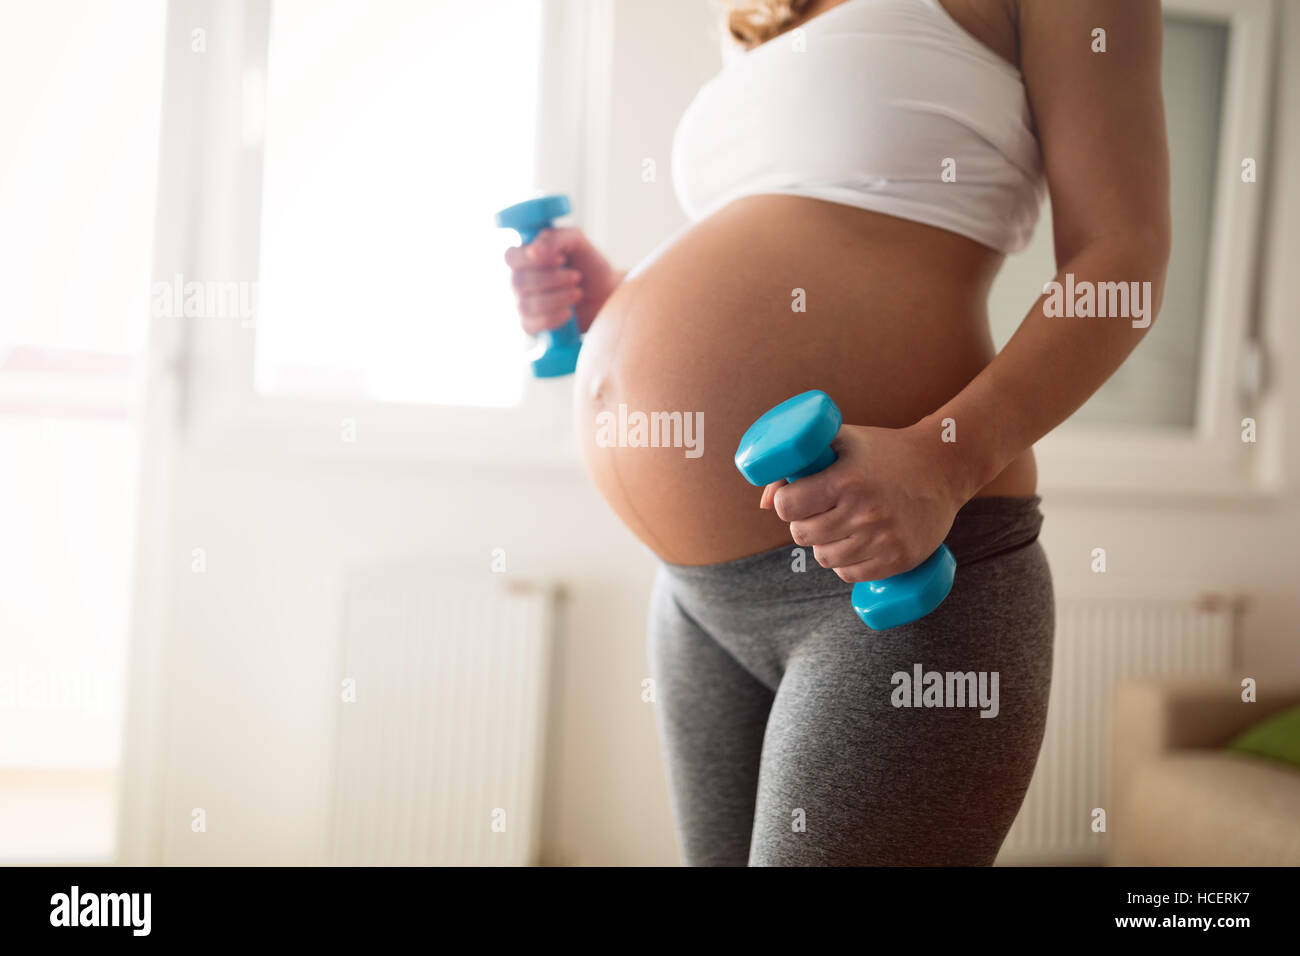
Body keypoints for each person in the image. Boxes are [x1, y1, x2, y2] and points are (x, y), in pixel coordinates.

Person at [505, 0, 1169, 865]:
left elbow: (1123, 258)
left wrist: (945, 459)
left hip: (896, 580)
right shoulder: (760, 13)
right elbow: (799, 228)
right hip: (697, 600)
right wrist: (620, 300)